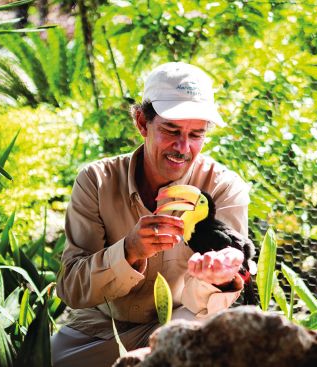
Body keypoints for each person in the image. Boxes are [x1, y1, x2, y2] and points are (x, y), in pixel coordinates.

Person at [52, 62, 250, 367]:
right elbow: (72, 289)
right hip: (104, 327)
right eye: (171, 131)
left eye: (196, 135)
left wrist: (217, 279)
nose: (183, 147)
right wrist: (129, 251)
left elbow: (214, 300)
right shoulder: (96, 181)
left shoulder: (223, 188)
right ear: (142, 122)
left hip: (185, 324)